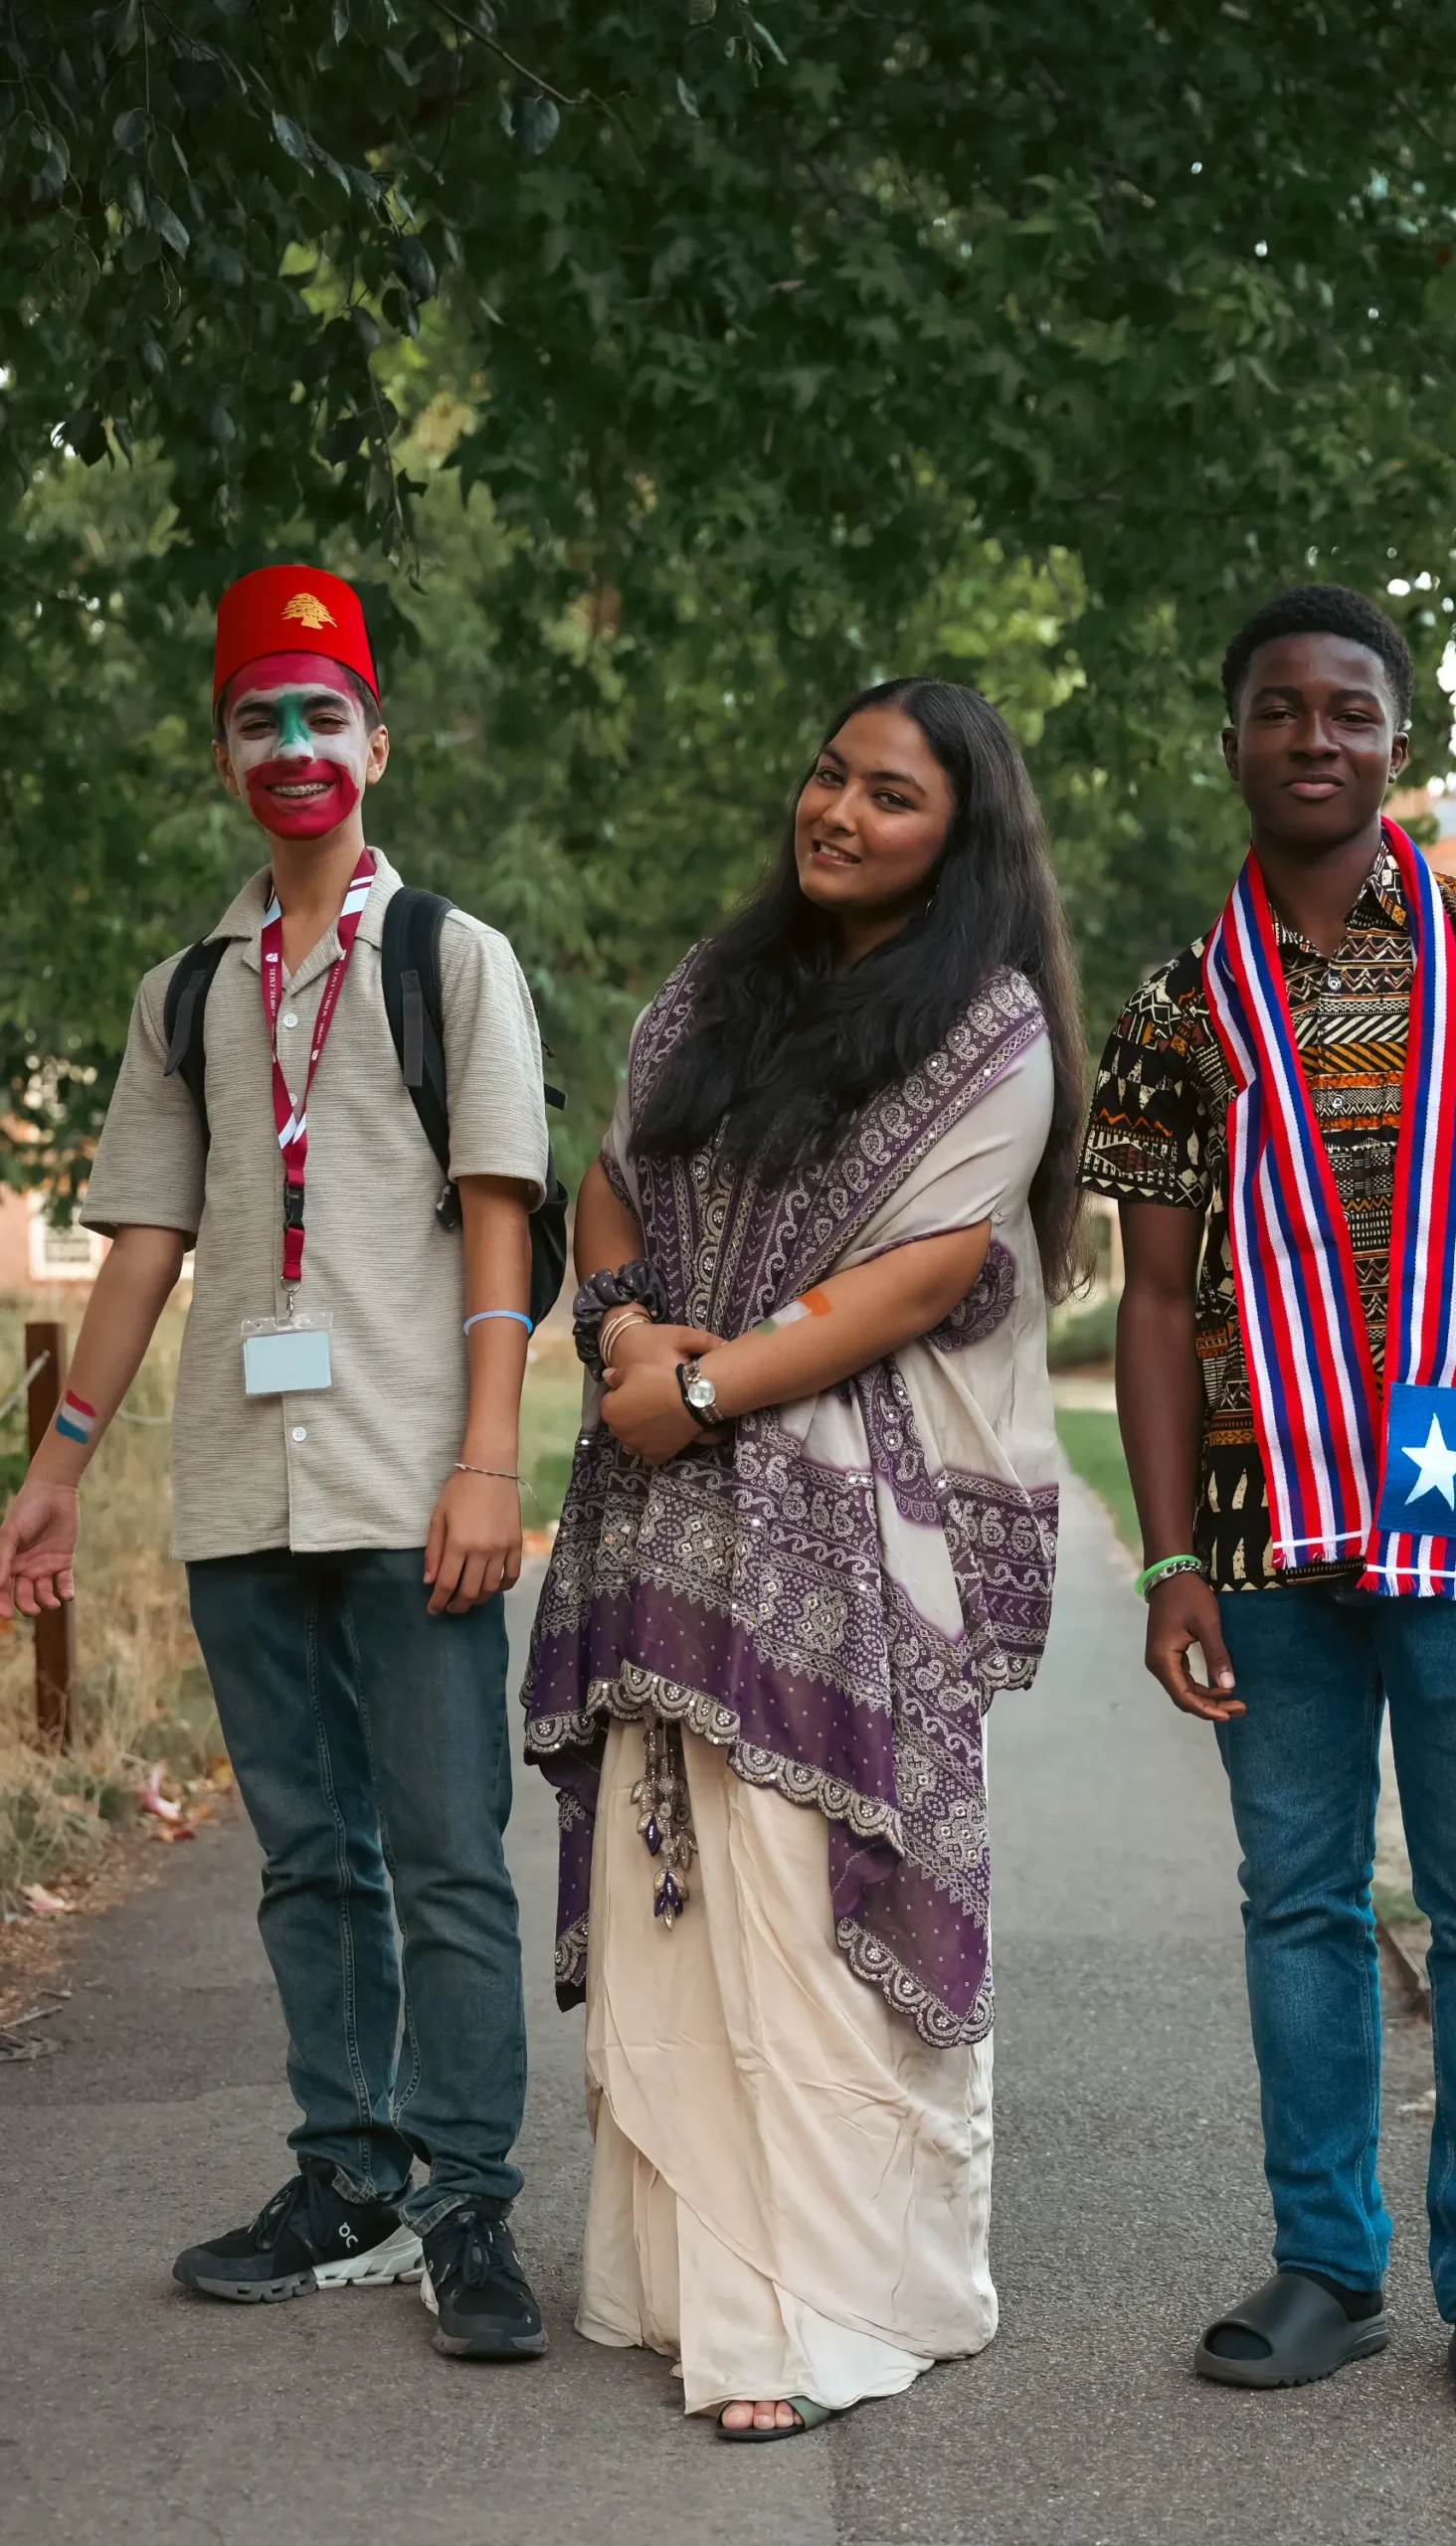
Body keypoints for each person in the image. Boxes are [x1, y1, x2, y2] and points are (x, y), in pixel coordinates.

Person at [1081, 584, 1456, 2426]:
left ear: (1399, 741)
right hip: (1257, 1537)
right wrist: (1168, 1555)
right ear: (1230, 739)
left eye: (1347, 710)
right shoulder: (1178, 1001)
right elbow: (1152, 1297)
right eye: (1276, 707)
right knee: (1297, 1902)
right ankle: (1325, 2262)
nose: (1310, 736)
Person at [0, 565, 554, 2360]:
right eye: (259, 719)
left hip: (410, 1479)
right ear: (225, 753)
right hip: (245, 1489)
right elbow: (144, 1245)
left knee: (446, 1856)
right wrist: (62, 1466)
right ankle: (349, 2176)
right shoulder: (184, 995)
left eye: (324, 714)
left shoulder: (451, 960)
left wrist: (489, 1462)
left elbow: (499, 1220)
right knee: (309, 1858)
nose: (292, 745)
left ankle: (468, 2199)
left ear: (376, 744)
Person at [524, 677, 1082, 2437]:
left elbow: (923, 1275)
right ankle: (690, 2286)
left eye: (890, 796)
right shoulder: (714, 988)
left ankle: (821, 2315)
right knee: (676, 1877)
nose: (838, 811)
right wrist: (627, 1331)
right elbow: (609, 1180)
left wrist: (699, 1388)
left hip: (849, 1514)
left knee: (795, 1896)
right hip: (665, 1499)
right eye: (829, 776)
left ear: (960, 837)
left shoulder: (986, 1032)